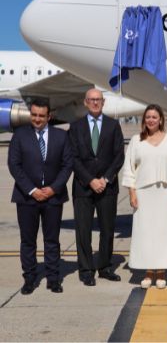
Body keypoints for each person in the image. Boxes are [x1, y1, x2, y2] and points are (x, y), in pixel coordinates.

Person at [9, 98, 73, 295]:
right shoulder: (19, 135)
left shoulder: (61, 136)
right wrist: (32, 190)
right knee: (28, 241)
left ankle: (53, 279)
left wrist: (53, 188)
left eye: (41, 116)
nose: (37, 119)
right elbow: (14, 165)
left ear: (49, 116)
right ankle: (29, 278)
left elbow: (67, 165)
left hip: (53, 197)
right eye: (34, 115)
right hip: (26, 197)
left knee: (51, 240)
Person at [121, 104, 167, 289]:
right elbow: (129, 168)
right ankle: (148, 271)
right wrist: (132, 193)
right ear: (144, 120)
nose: (151, 120)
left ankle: (162, 271)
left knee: (163, 232)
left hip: (164, 193)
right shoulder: (135, 140)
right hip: (143, 193)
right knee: (145, 232)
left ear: (161, 119)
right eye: (148, 117)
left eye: (154, 117)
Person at [68, 88, 125, 286]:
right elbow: (72, 158)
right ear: (85, 102)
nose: (94, 103)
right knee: (83, 231)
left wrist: (105, 178)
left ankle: (105, 267)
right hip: (83, 187)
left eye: (98, 100)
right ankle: (86, 270)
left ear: (103, 102)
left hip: (107, 187)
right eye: (91, 100)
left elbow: (119, 156)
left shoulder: (113, 125)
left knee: (107, 229)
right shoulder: (75, 127)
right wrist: (90, 180)